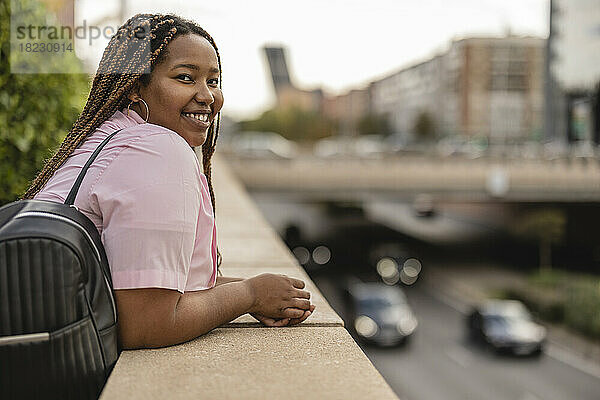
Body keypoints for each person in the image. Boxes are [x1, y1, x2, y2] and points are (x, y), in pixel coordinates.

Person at [25, 13, 315, 349]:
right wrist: (248, 294)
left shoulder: (107, 139)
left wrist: (255, 291)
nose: (207, 96)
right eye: (185, 78)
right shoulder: (154, 149)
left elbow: (132, 281)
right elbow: (147, 325)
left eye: (213, 81)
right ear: (135, 86)